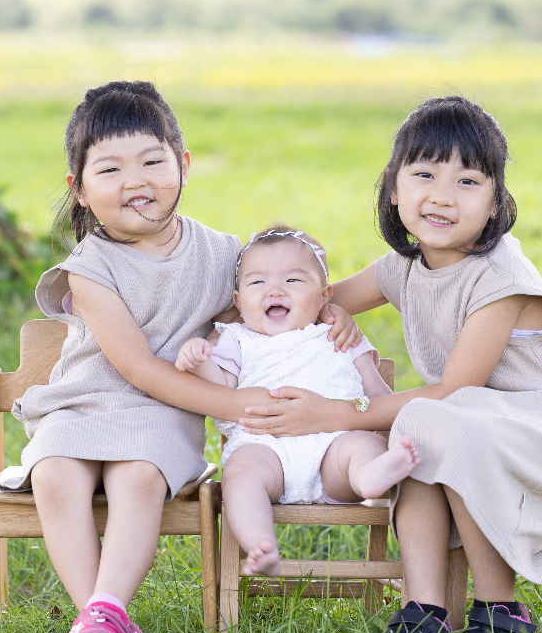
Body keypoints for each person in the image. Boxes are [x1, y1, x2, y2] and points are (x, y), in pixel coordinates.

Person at [1, 80, 360, 633]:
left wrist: (330, 311)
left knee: (139, 476)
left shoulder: (223, 255)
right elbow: (136, 368)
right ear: (80, 191)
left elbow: (274, 298)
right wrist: (235, 402)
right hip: (85, 399)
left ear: (183, 165)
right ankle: (107, 627)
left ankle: (103, 626)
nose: (134, 179)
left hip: (162, 413)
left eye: (151, 160)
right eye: (109, 168)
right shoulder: (88, 267)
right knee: (56, 473)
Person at [237, 95, 542, 633]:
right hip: (475, 423)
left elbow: (454, 390)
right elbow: (308, 300)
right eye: (423, 174)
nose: (441, 196)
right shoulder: (405, 267)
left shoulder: (500, 277)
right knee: (415, 435)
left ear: (495, 205)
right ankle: (425, 613)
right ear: (394, 190)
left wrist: (336, 414)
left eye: (468, 181)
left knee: (429, 418)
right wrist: (311, 311)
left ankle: (502, 613)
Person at [175, 225, 416, 578]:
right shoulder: (235, 339)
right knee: (240, 474)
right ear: (239, 302)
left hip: (334, 450)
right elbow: (222, 389)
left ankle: (371, 477)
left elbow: (378, 396)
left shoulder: (340, 333)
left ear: (324, 296)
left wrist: (388, 433)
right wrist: (200, 362)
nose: (274, 289)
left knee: (361, 444)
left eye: (293, 281)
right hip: (263, 448)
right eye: (257, 283)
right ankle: (261, 544)